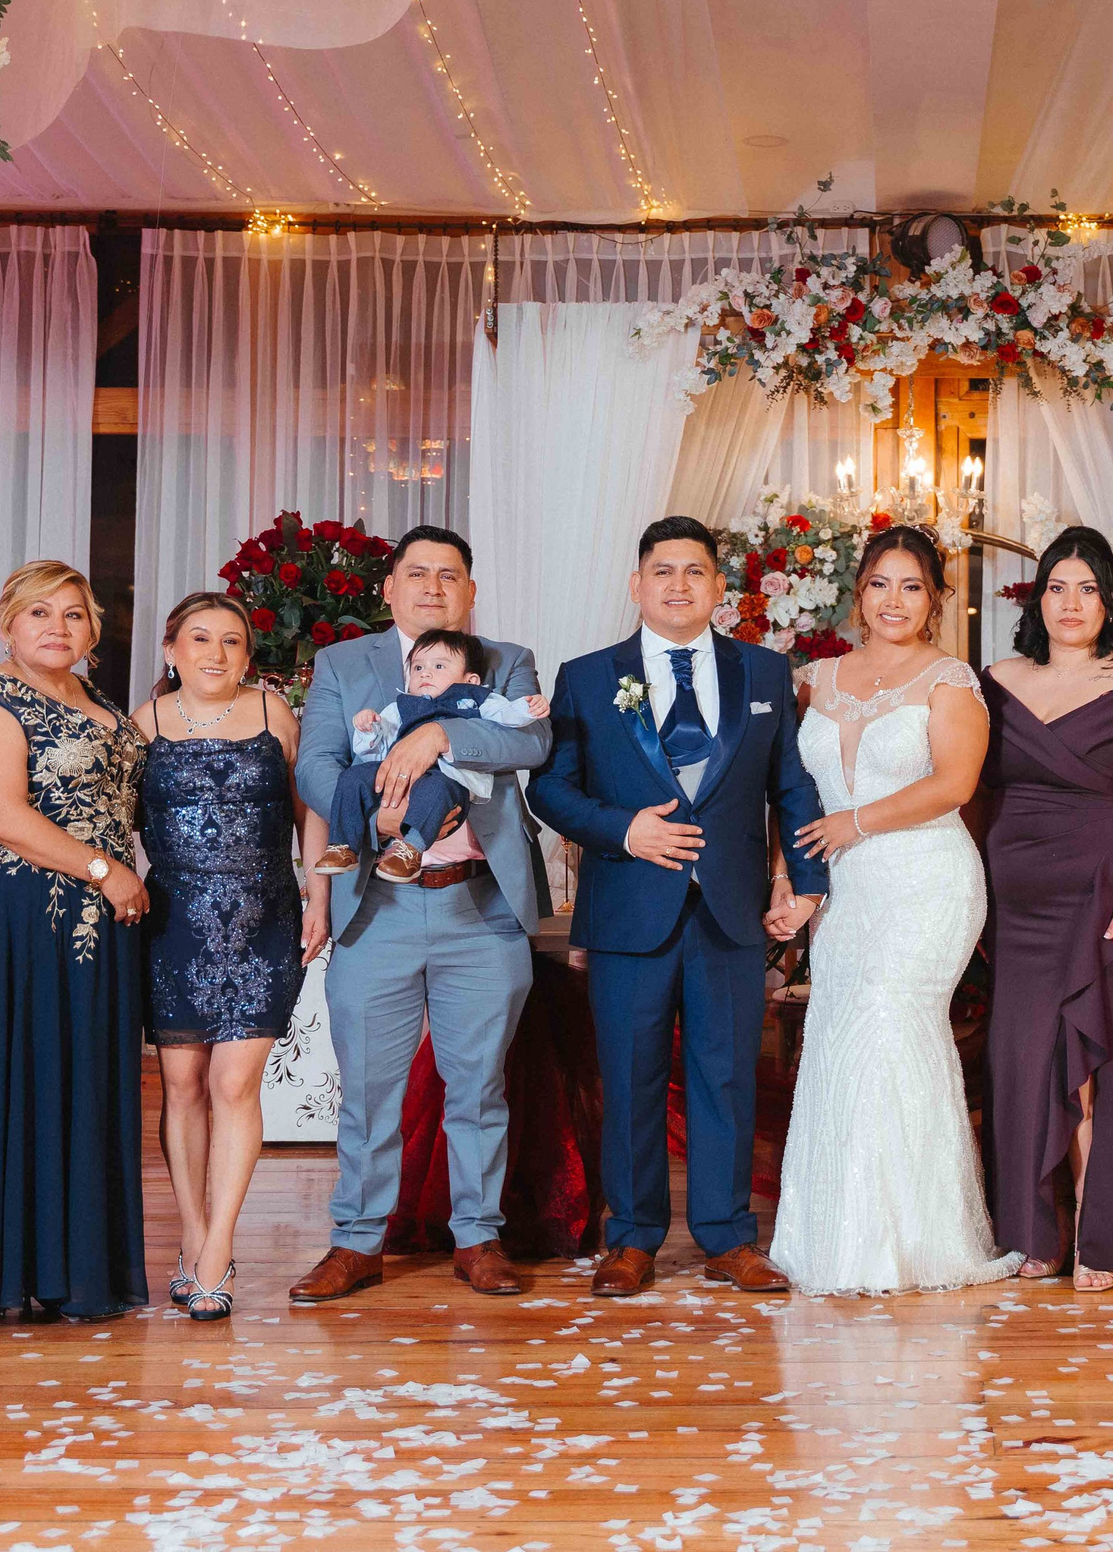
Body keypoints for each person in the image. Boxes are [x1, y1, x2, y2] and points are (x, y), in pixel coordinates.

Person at [528, 515, 830, 1297]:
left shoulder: (764, 672)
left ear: (718, 587)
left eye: (695, 571)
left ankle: (729, 1237)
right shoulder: (587, 676)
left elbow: (791, 784)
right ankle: (631, 1239)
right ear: (637, 585)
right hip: (628, 907)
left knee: (725, 1075)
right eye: (663, 570)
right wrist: (624, 829)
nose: (678, 584)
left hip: (731, 910)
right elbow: (550, 787)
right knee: (629, 1076)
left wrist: (804, 881)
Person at [288, 526, 551, 1304]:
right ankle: (356, 1240)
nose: (433, 586)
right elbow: (315, 765)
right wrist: (378, 818)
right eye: (417, 573)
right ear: (390, 587)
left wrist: (439, 731)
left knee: (479, 1083)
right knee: (370, 1087)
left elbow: (531, 739)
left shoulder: (505, 659)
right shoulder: (345, 664)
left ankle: (478, 1235)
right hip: (379, 902)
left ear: (470, 591)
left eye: (449, 575)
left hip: (481, 900)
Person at [769, 524, 1022, 1295]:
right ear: (858, 593)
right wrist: (790, 879)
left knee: (889, 1019)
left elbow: (955, 784)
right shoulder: (814, 678)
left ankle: (915, 1239)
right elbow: (791, 794)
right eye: (881, 583)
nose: (894, 600)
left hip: (925, 880)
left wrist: (857, 822)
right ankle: (834, 1236)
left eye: (912, 586)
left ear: (935, 599)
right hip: (845, 888)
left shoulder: (950, 680)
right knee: (839, 1031)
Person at [0, 560, 150, 1323]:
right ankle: (1, 1269)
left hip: (104, 919)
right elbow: (3, 815)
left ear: (93, 629)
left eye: (74, 614)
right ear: (8, 623)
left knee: (84, 1080)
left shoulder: (99, 701)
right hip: (24, 914)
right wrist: (105, 870)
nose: (58, 627)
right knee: (18, 1073)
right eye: (40, 612)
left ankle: (74, 1271)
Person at [980, 527, 1113, 1292]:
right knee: (1021, 1058)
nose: (1071, 603)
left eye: (1087, 588)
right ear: (1037, 598)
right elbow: (968, 787)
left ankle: (1101, 1233)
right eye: (1057, 587)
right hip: (1012, 892)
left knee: (1091, 1057)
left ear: (1109, 601)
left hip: (1102, 886)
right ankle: (1032, 1231)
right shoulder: (997, 680)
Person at [131, 592, 316, 1322]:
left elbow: (308, 812)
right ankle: (191, 1230)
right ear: (171, 649)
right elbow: (113, 824)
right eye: (201, 638)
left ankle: (218, 1250)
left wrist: (321, 894)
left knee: (235, 1082)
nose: (216, 653)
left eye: (232, 640)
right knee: (182, 1085)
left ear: (248, 655)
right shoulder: (141, 724)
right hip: (174, 921)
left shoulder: (275, 713)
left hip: (265, 917)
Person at [314, 628, 550, 883]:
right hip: (398, 777)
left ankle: (410, 850)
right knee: (352, 778)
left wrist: (527, 708)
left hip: (450, 777)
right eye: (418, 668)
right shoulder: (401, 706)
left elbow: (506, 716)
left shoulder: (476, 698)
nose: (425, 673)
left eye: (439, 666)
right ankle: (342, 846)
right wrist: (368, 727)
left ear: (470, 680)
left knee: (435, 790)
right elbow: (376, 747)